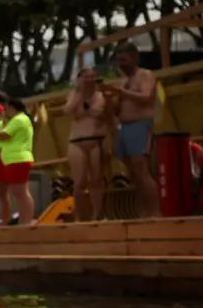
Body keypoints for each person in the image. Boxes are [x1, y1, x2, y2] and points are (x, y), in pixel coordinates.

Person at [103, 41, 159, 218]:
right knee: (133, 174)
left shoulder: (145, 75)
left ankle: (154, 211)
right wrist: (109, 99)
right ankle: (142, 211)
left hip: (141, 125)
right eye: (119, 61)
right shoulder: (124, 81)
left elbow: (145, 97)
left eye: (124, 60)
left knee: (141, 169)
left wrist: (121, 92)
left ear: (134, 58)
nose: (122, 64)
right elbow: (118, 111)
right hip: (124, 127)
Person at [64, 67, 108, 221]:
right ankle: (80, 215)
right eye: (86, 77)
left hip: (96, 140)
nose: (89, 80)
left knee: (96, 179)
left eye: (92, 77)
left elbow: (98, 113)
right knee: (79, 181)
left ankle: (97, 214)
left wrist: (82, 112)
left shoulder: (100, 96)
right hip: (77, 141)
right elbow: (68, 111)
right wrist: (81, 95)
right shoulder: (73, 95)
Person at [0, 95, 36, 226]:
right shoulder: (22, 119)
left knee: (22, 192)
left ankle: (27, 221)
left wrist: (3, 124)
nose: (5, 111)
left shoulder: (18, 119)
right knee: (18, 192)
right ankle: (24, 220)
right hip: (14, 160)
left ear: (12, 107)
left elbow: (3, 135)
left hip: (18, 159)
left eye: (6, 108)